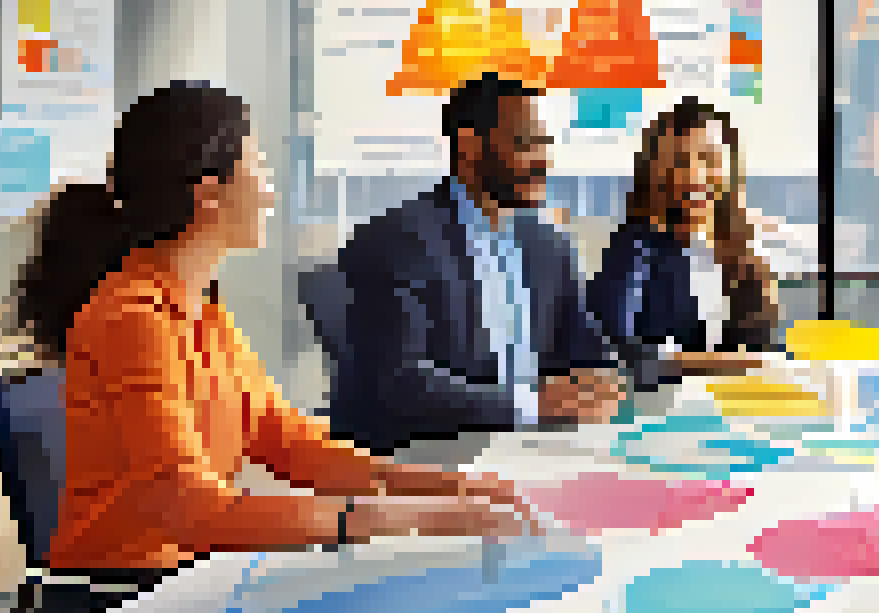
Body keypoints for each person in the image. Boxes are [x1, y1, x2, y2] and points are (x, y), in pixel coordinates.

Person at [11, 82, 533, 613]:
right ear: (209, 194)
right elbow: (191, 508)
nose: (269, 192)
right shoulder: (129, 319)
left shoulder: (202, 310)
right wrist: (388, 519)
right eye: (258, 167)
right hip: (115, 610)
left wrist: (444, 489)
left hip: (180, 586)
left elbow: (287, 443)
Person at [324, 73, 627, 454]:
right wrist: (530, 406)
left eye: (545, 144)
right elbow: (397, 381)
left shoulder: (549, 246)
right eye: (525, 143)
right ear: (469, 146)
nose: (542, 160)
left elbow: (584, 346)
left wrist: (600, 380)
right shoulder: (393, 241)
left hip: (533, 450)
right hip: (423, 458)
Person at [588, 97, 783, 392]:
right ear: (656, 171)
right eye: (679, 161)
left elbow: (758, 356)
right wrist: (706, 363)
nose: (694, 176)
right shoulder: (634, 248)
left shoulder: (746, 253)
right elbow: (610, 350)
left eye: (709, 159)